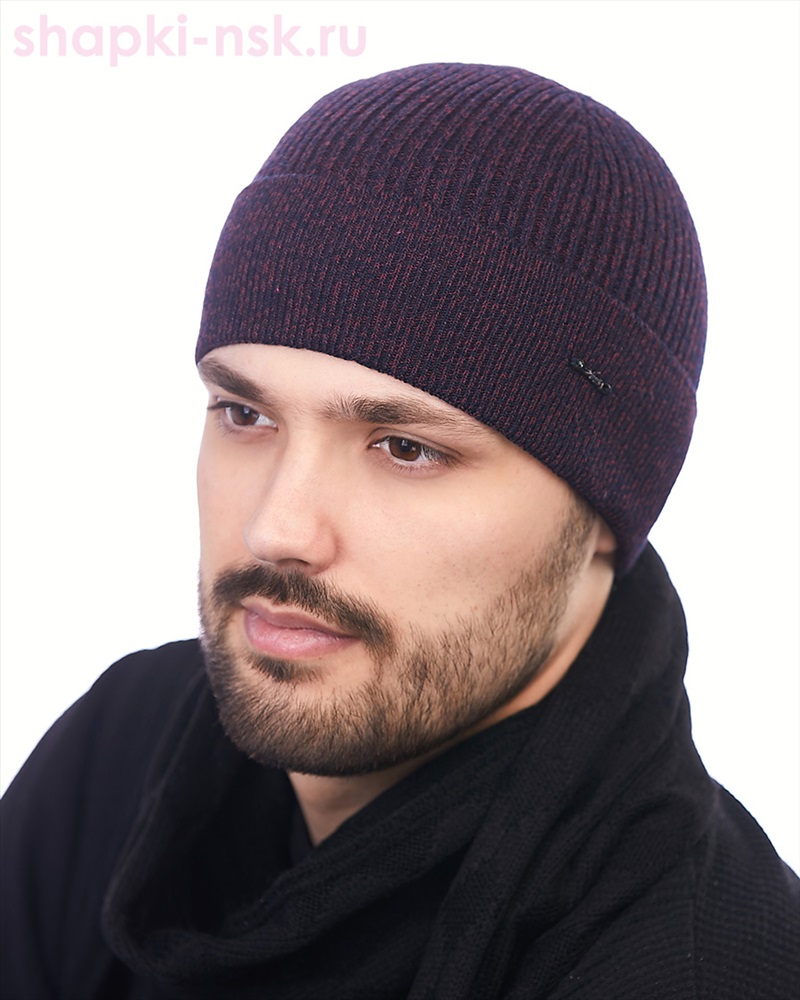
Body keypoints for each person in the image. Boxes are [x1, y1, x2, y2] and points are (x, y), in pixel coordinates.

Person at [1, 63, 797, 1000]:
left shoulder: (698, 962)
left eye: (406, 448)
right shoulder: (125, 746)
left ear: (604, 513)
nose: (276, 528)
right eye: (246, 415)